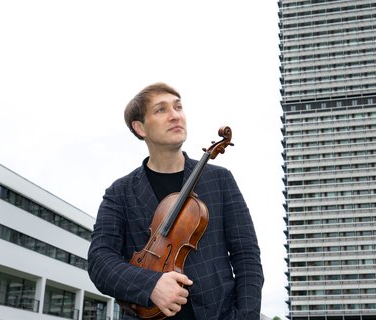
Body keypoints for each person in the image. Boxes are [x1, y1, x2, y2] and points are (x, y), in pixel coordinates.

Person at [87, 82, 264, 319]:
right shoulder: (119, 192)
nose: (175, 116)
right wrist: (151, 285)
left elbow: (247, 257)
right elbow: (100, 261)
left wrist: (244, 317)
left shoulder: (220, 180)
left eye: (178, 107)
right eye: (161, 110)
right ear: (140, 128)